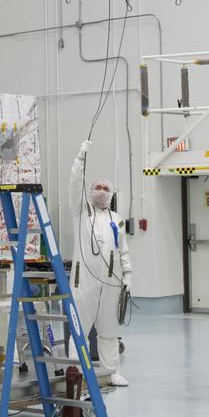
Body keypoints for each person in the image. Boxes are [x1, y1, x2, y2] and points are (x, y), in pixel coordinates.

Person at [69, 140, 132, 386]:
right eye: (98, 187)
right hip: (84, 281)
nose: (102, 191)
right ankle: (76, 372)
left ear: (112, 193)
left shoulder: (117, 220)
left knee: (109, 331)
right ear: (91, 191)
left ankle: (110, 372)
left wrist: (128, 276)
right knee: (80, 329)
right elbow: (75, 185)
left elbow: (123, 251)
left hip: (111, 283)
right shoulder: (82, 212)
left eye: (106, 188)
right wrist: (80, 158)